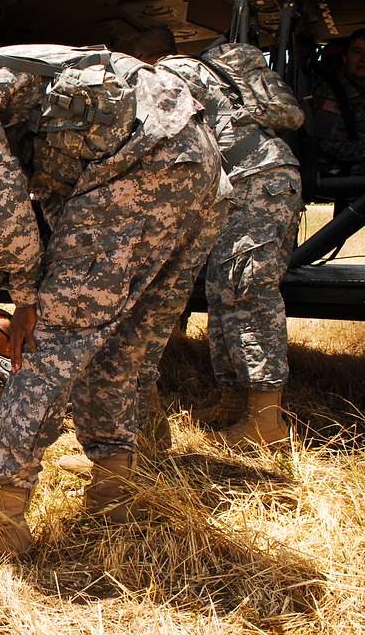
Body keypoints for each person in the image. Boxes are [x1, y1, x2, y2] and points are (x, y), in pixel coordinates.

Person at [0, 43, 228, 555]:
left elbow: (3, 211)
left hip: (141, 165)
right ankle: (114, 488)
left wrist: (27, 299)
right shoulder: (4, 78)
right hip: (199, 166)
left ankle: (2, 515)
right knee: (122, 345)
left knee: (48, 347)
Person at [120, 28, 304, 448]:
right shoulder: (198, 71)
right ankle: (234, 400)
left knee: (248, 289)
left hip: (256, 179)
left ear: (142, 56)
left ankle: (266, 421)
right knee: (224, 291)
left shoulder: (168, 72)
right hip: (240, 184)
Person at [312, 28, 365, 178]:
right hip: (339, 166)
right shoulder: (330, 90)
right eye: (358, 52)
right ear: (345, 58)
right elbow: (330, 145)